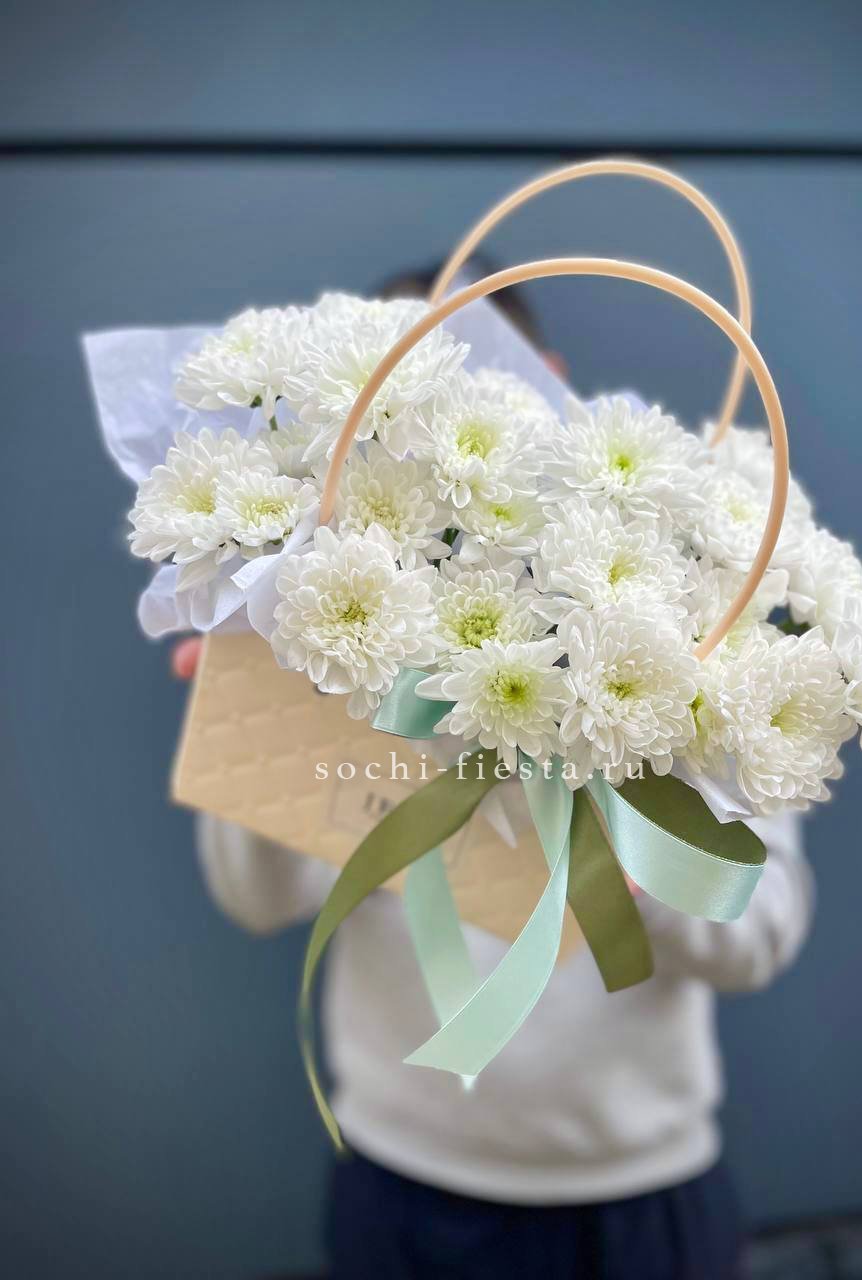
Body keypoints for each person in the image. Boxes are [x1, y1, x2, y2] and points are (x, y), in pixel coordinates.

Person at [176, 267, 814, 1280]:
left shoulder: (691, 606)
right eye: (400, 401)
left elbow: (762, 931)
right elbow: (255, 897)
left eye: (470, 377)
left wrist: (628, 849)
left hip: (641, 1186)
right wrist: (253, 702)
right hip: (405, 1178)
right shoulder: (334, 615)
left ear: (548, 379)